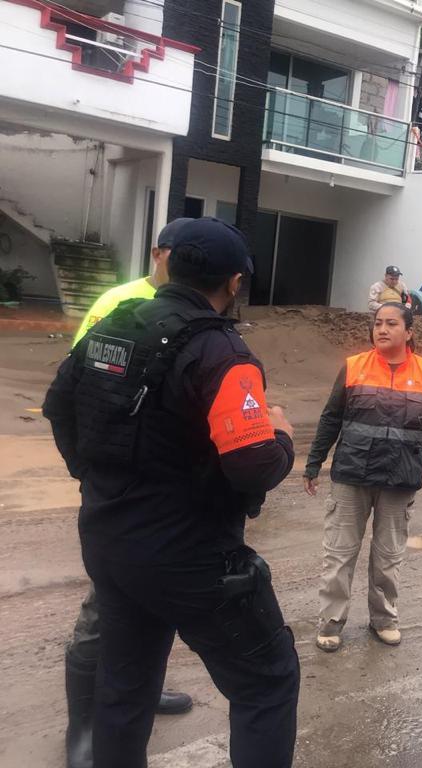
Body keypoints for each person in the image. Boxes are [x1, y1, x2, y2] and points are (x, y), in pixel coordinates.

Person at [43, 217, 301, 767]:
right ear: (234, 283)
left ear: (168, 263)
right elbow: (253, 467)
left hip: (110, 540)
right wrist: (281, 435)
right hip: (191, 556)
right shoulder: (220, 352)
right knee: (267, 683)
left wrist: (98, 481)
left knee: (124, 685)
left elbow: (59, 407)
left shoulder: (113, 322)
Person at [63, 217, 193, 768]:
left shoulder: (195, 305)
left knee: (150, 602)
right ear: (161, 254)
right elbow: (78, 389)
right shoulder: (120, 302)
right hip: (120, 490)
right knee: (103, 606)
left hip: (166, 495)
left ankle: (141, 686)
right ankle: (83, 727)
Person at [304, 302, 422, 650]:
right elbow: (331, 417)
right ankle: (331, 623)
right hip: (352, 475)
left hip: (400, 479)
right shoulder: (354, 367)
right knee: (339, 553)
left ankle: (384, 619)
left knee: (388, 555)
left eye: (391, 324)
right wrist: (314, 462)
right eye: (378, 323)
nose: (382, 329)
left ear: (409, 332)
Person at [71, 218, 191, 347]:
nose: (186, 265)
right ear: (157, 255)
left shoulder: (203, 305)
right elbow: (80, 356)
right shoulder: (117, 299)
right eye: (180, 255)